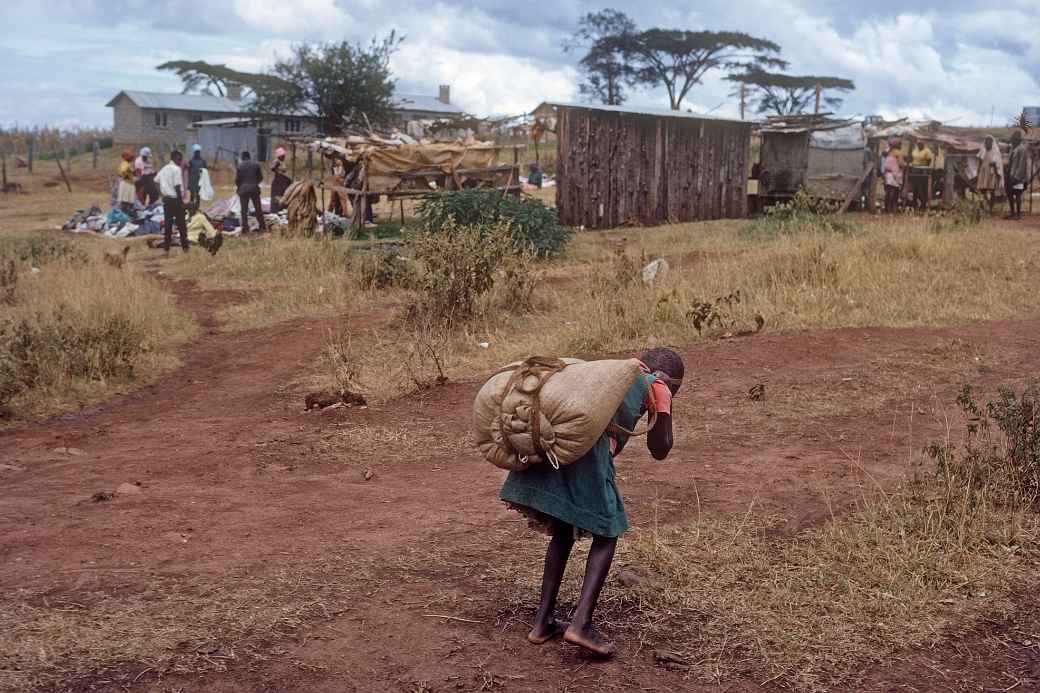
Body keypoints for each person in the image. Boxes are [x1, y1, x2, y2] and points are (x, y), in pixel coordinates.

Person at [499, 347, 685, 658]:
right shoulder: (658, 385)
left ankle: (543, 621)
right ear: (668, 378)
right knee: (608, 529)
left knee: (563, 529)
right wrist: (665, 404)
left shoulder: (612, 374)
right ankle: (580, 624)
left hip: (561, 446)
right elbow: (660, 447)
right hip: (588, 454)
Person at [157, 150, 189, 254]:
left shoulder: (164, 169)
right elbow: (177, 187)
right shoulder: (176, 169)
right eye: (179, 159)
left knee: (168, 225)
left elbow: (156, 181)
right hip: (175, 199)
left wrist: (161, 194)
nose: (180, 161)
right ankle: (185, 248)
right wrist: (181, 203)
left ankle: (166, 249)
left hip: (166, 200)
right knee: (181, 225)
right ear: (174, 158)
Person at [235, 150, 266, 232]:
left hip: (244, 190)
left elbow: (237, 180)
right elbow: (260, 178)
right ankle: (262, 226)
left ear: (242, 157)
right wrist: (255, 183)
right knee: (258, 209)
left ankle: (245, 228)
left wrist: (240, 187)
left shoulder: (239, 166)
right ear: (249, 157)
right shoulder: (256, 165)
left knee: (244, 210)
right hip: (254, 189)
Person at [976, 135, 1004, 216]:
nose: (988, 144)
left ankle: (990, 210)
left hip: (992, 175)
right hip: (983, 173)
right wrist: (978, 172)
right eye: (986, 142)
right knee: (982, 191)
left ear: (992, 143)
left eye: (989, 142)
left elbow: (999, 164)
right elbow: (979, 162)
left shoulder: (996, 152)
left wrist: (995, 165)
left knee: (991, 192)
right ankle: (983, 208)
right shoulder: (983, 151)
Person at [1006, 131, 1030, 220]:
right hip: (1011, 175)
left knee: (1018, 194)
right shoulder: (1013, 148)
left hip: (1018, 176)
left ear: (1017, 140)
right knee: (1009, 194)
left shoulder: (1022, 149)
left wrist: (1016, 177)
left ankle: (1019, 214)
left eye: (1013, 140)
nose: (1012, 141)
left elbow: (1022, 165)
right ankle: (1012, 213)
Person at [909, 141, 934, 211]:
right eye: (918, 144)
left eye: (921, 144)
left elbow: (929, 160)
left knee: (921, 189)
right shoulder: (915, 150)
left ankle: (923, 204)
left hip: (922, 172)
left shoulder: (927, 151)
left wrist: (923, 167)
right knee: (915, 189)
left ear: (923, 144)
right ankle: (915, 203)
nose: (919, 145)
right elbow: (912, 158)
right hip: (914, 171)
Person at [882, 140, 904, 214]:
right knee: (894, 192)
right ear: (897, 145)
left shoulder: (888, 152)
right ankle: (892, 209)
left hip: (887, 174)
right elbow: (901, 164)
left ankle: (887, 208)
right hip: (895, 174)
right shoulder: (898, 152)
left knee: (888, 192)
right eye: (900, 144)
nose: (901, 146)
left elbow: (883, 154)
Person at [270, 147, 292, 214]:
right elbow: (272, 168)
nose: (284, 157)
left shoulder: (282, 162)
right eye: (283, 155)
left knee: (283, 196)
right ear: (280, 156)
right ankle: (276, 211)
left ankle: (282, 209)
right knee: (277, 197)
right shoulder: (277, 161)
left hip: (283, 182)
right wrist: (278, 170)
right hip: (278, 183)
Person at [187, 144, 207, 215]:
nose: (197, 153)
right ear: (194, 152)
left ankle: (197, 208)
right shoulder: (191, 161)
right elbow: (189, 171)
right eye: (196, 152)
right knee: (192, 195)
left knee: (198, 195)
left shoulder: (203, 161)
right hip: (192, 180)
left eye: (198, 152)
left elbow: (205, 170)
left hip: (200, 180)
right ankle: (191, 208)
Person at [116, 149, 136, 214]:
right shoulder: (125, 163)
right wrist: (130, 172)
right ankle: (125, 214)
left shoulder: (127, 164)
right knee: (125, 201)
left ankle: (127, 213)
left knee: (129, 201)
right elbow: (123, 171)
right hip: (126, 184)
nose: (132, 159)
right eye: (131, 157)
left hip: (129, 183)